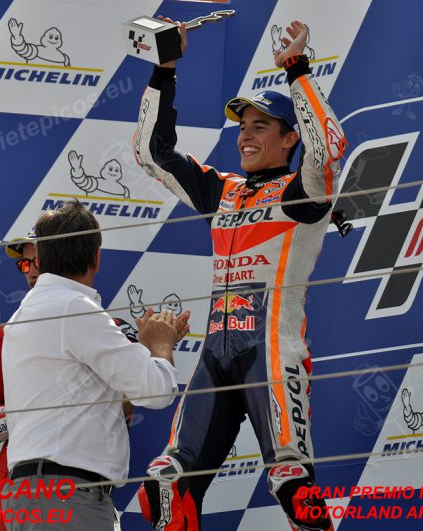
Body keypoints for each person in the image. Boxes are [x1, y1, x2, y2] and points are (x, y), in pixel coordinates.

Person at [134, 18, 346, 531]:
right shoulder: (222, 191)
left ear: (289, 137)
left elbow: (328, 147)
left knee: (293, 484)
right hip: (216, 356)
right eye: (242, 125)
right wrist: (164, 69)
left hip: (271, 354)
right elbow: (151, 154)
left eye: (260, 126)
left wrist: (297, 68)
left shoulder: (303, 192)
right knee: (166, 482)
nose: (245, 135)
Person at [1, 200, 188, 530]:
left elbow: (90, 394)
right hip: (66, 495)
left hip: (38, 493)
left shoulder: (30, 311)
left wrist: (146, 350)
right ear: (97, 257)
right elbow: (156, 391)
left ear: (40, 258)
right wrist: (160, 345)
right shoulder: (74, 308)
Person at [0, 234, 141, 531]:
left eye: (39, 261)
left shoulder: (115, 331)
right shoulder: (4, 336)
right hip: (17, 490)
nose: (32, 271)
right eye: (24, 264)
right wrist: (34, 407)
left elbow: (131, 403)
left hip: (85, 492)